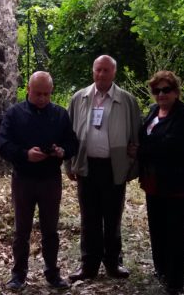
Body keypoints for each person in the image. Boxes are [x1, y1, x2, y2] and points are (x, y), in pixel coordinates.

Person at [0, 71, 79, 291]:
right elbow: (3, 144)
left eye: (46, 94)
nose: (42, 98)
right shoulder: (14, 114)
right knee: (21, 230)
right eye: (37, 94)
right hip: (23, 179)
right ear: (28, 90)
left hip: (50, 180)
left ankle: (52, 273)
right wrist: (25, 154)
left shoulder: (60, 114)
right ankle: (18, 275)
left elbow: (73, 143)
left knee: (50, 229)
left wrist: (63, 151)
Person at [65, 55, 141, 282]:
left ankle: (113, 263)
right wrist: (69, 164)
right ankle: (88, 265)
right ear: (92, 71)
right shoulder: (79, 98)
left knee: (112, 217)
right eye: (98, 70)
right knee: (89, 218)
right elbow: (68, 135)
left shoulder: (127, 100)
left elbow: (136, 136)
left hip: (114, 167)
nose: (101, 74)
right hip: (87, 167)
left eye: (106, 70)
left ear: (114, 73)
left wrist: (133, 166)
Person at [138, 71, 184, 295]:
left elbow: (174, 148)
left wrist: (142, 150)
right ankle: (161, 269)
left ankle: (176, 281)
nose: (161, 94)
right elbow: (145, 137)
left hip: (177, 184)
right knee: (157, 228)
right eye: (156, 90)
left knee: (176, 232)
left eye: (166, 90)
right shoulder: (154, 111)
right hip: (154, 183)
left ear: (175, 92)